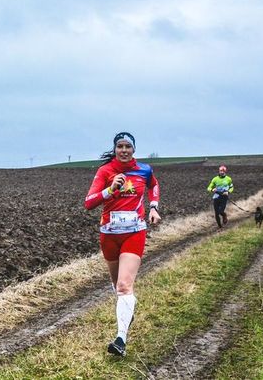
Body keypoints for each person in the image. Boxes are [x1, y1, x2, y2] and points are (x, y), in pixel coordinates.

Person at [84, 132, 161, 357]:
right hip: (109, 234)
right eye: (120, 146)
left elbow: (154, 186)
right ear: (115, 149)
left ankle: (120, 340)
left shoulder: (144, 170)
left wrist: (154, 206)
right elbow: (88, 203)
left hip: (134, 233)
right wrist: (110, 190)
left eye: (128, 146)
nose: (124, 150)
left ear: (134, 149)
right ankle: (127, 310)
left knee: (124, 286)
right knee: (117, 286)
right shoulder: (105, 171)